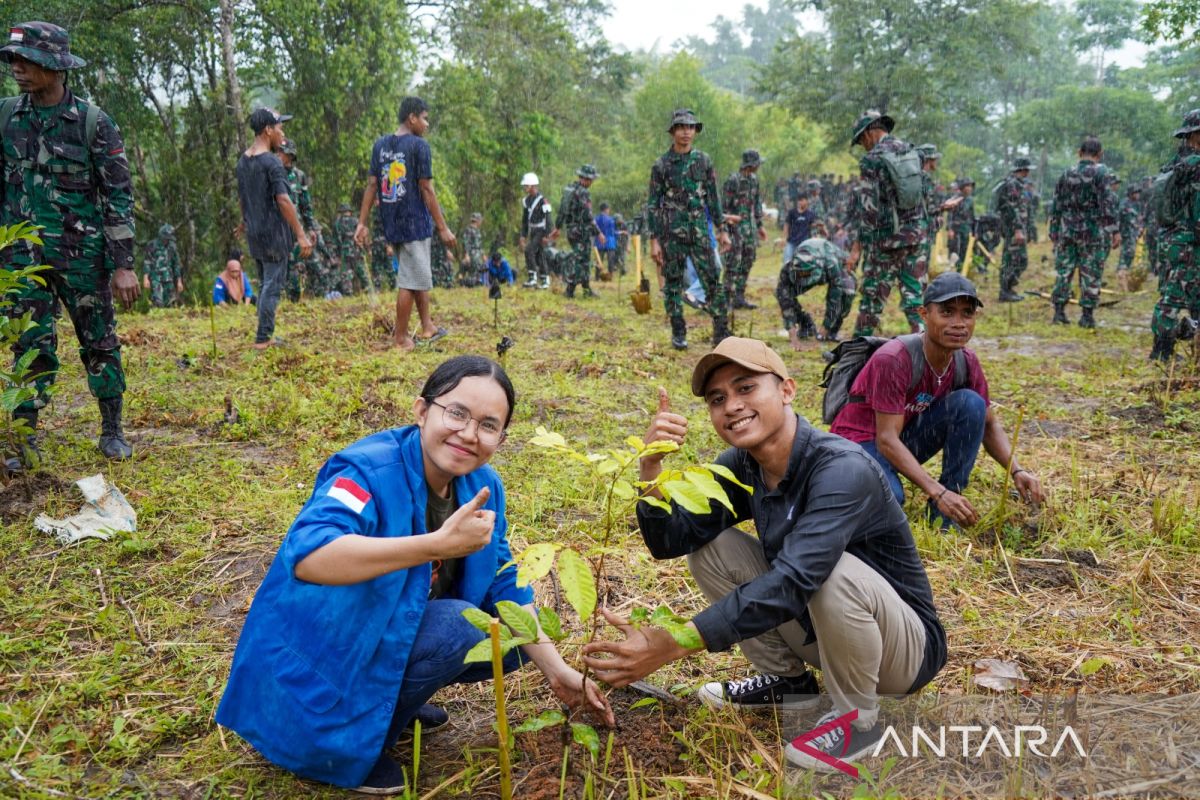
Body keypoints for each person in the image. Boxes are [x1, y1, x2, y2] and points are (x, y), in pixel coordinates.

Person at [216, 356, 612, 793]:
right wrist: (436, 546)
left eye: (487, 425)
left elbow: (503, 580)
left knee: (512, 639)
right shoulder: (366, 471)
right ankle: (337, 751)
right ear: (422, 411)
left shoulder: (483, 485)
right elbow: (311, 555)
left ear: (501, 438)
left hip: (379, 637)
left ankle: (386, 706)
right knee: (459, 627)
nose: (468, 434)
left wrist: (557, 672)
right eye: (456, 413)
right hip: (320, 658)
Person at [579, 337, 947, 773]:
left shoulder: (842, 469)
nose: (732, 405)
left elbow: (796, 581)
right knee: (712, 548)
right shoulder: (744, 465)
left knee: (829, 572)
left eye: (746, 388)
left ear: (787, 390)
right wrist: (650, 468)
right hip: (823, 633)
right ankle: (789, 684)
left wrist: (676, 641)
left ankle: (860, 719)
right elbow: (671, 541)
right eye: (718, 399)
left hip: (899, 653)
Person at [1, 21, 141, 466]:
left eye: (28, 61)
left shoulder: (94, 123)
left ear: (56, 67)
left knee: (99, 341)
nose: (18, 68)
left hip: (81, 258)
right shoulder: (5, 117)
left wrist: (123, 264)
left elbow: (117, 195)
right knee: (29, 345)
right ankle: (24, 440)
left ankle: (112, 429)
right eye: (14, 60)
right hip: (22, 259)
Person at [829, 273, 1045, 529]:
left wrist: (1017, 471)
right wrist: (937, 491)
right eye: (946, 312)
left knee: (971, 404)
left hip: (900, 438)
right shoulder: (894, 359)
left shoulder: (966, 361)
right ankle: (872, 488)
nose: (958, 323)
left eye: (967, 313)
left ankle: (945, 515)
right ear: (924, 314)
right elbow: (885, 439)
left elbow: (988, 424)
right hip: (859, 443)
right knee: (889, 500)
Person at [354, 96, 455, 351]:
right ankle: (400, 338)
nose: (426, 124)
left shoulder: (380, 145)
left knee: (415, 272)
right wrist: (442, 227)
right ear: (412, 118)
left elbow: (372, 185)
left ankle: (427, 325)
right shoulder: (419, 147)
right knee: (409, 280)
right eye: (424, 118)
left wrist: (362, 222)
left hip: (392, 222)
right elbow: (426, 189)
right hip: (414, 222)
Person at [647, 109, 730, 350]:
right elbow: (653, 204)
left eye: (691, 127)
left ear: (695, 131)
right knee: (673, 283)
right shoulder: (661, 165)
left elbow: (713, 198)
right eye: (681, 127)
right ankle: (678, 332)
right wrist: (654, 240)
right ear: (673, 131)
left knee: (713, 279)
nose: (686, 132)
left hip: (699, 232)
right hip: (671, 233)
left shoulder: (703, 161)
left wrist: (721, 229)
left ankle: (721, 333)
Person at [235, 107, 311, 350]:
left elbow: (243, 198)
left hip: (255, 233)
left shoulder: (243, 161)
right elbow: (283, 200)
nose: (282, 132)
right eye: (279, 127)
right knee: (272, 286)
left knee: (264, 283)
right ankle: (263, 338)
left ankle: (264, 333)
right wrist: (300, 234)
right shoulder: (272, 163)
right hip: (274, 234)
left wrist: (243, 222)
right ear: (268, 130)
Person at [845, 111, 927, 337]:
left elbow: (868, 210)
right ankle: (928, 347)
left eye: (862, 140)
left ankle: (857, 353)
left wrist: (857, 248)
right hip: (916, 237)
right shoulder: (913, 152)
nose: (863, 145)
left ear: (871, 133)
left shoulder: (872, 160)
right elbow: (924, 193)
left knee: (872, 299)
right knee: (915, 296)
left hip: (886, 242)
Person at [1048, 137, 1118, 328]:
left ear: (1080, 152)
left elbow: (1057, 204)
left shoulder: (1066, 173)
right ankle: (1086, 316)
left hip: (1067, 231)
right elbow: (1107, 204)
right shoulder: (1102, 172)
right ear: (1100, 153)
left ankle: (1059, 313)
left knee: (1064, 271)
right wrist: (1115, 230)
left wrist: (1054, 230)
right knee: (1091, 273)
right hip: (1092, 233)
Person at [1150, 109, 1200, 362]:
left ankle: (1168, 345)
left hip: (1172, 238)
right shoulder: (1196, 165)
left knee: (1176, 292)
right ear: (1195, 135)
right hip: (1189, 242)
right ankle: (1162, 352)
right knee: (1175, 296)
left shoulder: (1175, 163)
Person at [777, 235, 856, 348]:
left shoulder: (831, 264)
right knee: (786, 294)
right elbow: (784, 299)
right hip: (816, 267)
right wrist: (792, 334)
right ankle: (806, 325)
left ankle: (832, 331)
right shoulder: (788, 269)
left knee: (847, 293)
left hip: (838, 265)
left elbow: (834, 298)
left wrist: (826, 327)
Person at [722, 150, 766, 310]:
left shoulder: (754, 180)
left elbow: (757, 203)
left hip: (750, 229)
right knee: (733, 263)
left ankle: (739, 297)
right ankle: (726, 299)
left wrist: (760, 225)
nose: (759, 166)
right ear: (751, 164)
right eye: (757, 163)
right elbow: (723, 208)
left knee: (748, 261)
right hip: (735, 229)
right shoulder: (733, 181)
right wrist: (724, 230)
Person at [555, 164, 603, 298]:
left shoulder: (569, 189)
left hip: (571, 231)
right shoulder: (583, 192)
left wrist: (557, 227)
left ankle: (586, 289)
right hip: (581, 232)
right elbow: (588, 215)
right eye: (591, 180)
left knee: (581, 260)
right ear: (586, 179)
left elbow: (562, 210)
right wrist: (598, 232)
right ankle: (570, 290)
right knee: (581, 261)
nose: (591, 182)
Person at [278, 138, 316, 303]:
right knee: (279, 263)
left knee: (296, 263)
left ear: (290, 156)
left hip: (296, 227)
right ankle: (279, 298)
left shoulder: (299, 176)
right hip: (277, 227)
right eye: (278, 151)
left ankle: (294, 298)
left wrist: (311, 228)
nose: (279, 155)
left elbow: (305, 205)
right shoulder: (274, 173)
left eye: (283, 152)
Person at [994, 157, 1032, 303]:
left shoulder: (1017, 184)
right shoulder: (1012, 184)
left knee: (1018, 260)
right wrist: (1017, 229)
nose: (1028, 172)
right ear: (1022, 170)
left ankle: (1008, 288)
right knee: (1012, 260)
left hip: (1016, 229)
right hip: (1013, 230)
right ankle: (1005, 291)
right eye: (1027, 169)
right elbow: (1011, 208)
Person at [518, 172, 553, 289]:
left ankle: (533, 278)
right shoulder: (526, 201)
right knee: (539, 254)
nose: (525, 188)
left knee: (529, 250)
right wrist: (523, 235)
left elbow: (548, 218)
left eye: (526, 186)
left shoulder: (543, 200)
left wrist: (547, 235)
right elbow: (524, 220)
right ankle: (544, 279)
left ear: (533, 186)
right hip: (533, 230)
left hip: (541, 230)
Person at [142, 223, 184, 307]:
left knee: (170, 303)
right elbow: (147, 262)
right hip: (156, 278)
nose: (167, 240)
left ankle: (168, 319)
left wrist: (179, 281)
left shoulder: (172, 246)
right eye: (166, 238)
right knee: (158, 303)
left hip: (169, 279)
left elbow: (176, 264)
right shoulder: (152, 245)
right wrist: (146, 278)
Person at [332, 202, 369, 296]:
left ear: (341, 212)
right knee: (361, 270)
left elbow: (336, 242)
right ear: (349, 212)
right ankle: (368, 291)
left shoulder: (337, 224)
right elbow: (363, 234)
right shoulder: (356, 221)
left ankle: (348, 293)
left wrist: (337, 255)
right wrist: (366, 248)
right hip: (356, 249)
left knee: (346, 273)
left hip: (344, 251)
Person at [1116, 185, 1142, 292]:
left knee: (1130, 255)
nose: (1138, 195)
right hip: (1126, 235)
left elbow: (1138, 218)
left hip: (1133, 235)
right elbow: (1120, 219)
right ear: (1131, 194)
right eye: (1136, 193)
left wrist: (1139, 228)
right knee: (1126, 255)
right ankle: (1121, 278)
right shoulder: (1124, 204)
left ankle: (1125, 276)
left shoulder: (1136, 205)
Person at [946, 178, 976, 271]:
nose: (969, 188)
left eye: (970, 186)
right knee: (955, 250)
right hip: (955, 228)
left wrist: (974, 231)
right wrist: (950, 229)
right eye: (967, 186)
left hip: (966, 229)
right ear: (962, 188)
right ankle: (953, 268)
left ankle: (961, 270)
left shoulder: (970, 200)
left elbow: (972, 216)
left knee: (965, 250)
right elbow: (950, 214)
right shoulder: (955, 198)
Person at [783, 194, 817, 266]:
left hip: (805, 243)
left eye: (802, 200)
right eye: (799, 200)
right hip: (792, 242)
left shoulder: (811, 214)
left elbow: (813, 226)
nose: (799, 202)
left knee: (805, 263)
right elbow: (786, 224)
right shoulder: (792, 212)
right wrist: (785, 237)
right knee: (787, 262)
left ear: (807, 201)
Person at [595, 202, 619, 280]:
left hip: (599, 241)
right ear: (606, 209)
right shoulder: (610, 219)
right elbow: (612, 232)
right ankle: (610, 275)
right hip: (610, 241)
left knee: (599, 259)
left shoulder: (596, 219)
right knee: (610, 260)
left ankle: (597, 276)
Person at [460, 212, 484, 286]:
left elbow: (479, 244)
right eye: (480, 220)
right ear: (477, 220)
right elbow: (465, 243)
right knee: (473, 271)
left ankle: (476, 282)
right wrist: (466, 255)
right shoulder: (468, 230)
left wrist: (483, 254)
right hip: (472, 254)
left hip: (478, 253)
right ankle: (466, 283)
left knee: (479, 271)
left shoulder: (477, 231)